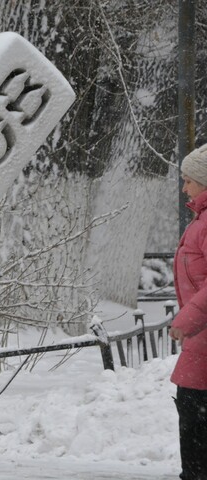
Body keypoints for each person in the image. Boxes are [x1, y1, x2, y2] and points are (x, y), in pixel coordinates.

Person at [170, 143, 207, 480]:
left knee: (195, 415)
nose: (184, 187)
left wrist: (187, 320)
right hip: (200, 342)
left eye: (188, 180)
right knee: (192, 411)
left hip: (202, 339)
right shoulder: (200, 220)